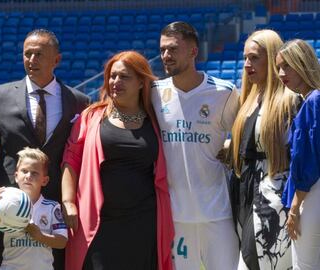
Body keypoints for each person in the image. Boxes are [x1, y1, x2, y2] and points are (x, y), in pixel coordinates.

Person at [0, 29, 89, 269]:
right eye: (27, 54)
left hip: (59, 207)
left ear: (57, 60)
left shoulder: (79, 101)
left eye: (39, 54)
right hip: (10, 205)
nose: (31, 60)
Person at [61, 51, 174, 270]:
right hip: (99, 221)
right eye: (112, 76)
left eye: (124, 77)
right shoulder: (91, 116)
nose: (115, 82)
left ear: (141, 82)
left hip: (144, 223)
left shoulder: (157, 119)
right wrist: (68, 201)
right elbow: (70, 159)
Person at [152, 21, 239, 270]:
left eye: (173, 49)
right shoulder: (153, 93)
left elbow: (244, 133)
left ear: (193, 51)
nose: (166, 56)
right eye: (162, 50)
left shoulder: (224, 92)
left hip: (218, 214)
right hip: (175, 216)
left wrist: (229, 144)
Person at [230, 29, 299, 270]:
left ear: (272, 58)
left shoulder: (290, 100)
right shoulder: (249, 98)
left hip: (273, 195)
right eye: (245, 57)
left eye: (255, 57)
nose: (247, 64)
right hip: (244, 193)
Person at [0, 147, 68, 270]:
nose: (28, 176)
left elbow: (62, 241)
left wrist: (41, 237)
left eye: (34, 173)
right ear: (16, 176)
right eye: (24, 171)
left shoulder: (52, 207)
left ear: (45, 180)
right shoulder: (4, 203)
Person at [277, 39, 320, 270]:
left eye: (287, 66)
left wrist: (294, 208)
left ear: (303, 63)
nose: (282, 73)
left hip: (311, 196)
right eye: (278, 68)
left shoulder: (313, 101)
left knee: (305, 265)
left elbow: (309, 162)